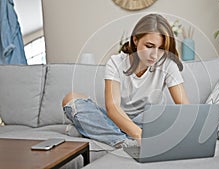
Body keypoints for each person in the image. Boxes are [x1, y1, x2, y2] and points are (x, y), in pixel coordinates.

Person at [62, 13, 190, 148]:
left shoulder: (168, 65)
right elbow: (113, 108)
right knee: (71, 99)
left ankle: (92, 131)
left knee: (163, 115)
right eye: (149, 46)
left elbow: (184, 105)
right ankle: (125, 142)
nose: (155, 55)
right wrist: (139, 135)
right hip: (118, 119)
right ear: (135, 40)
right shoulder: (116, 62)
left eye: (161, 48)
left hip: (146, 121)